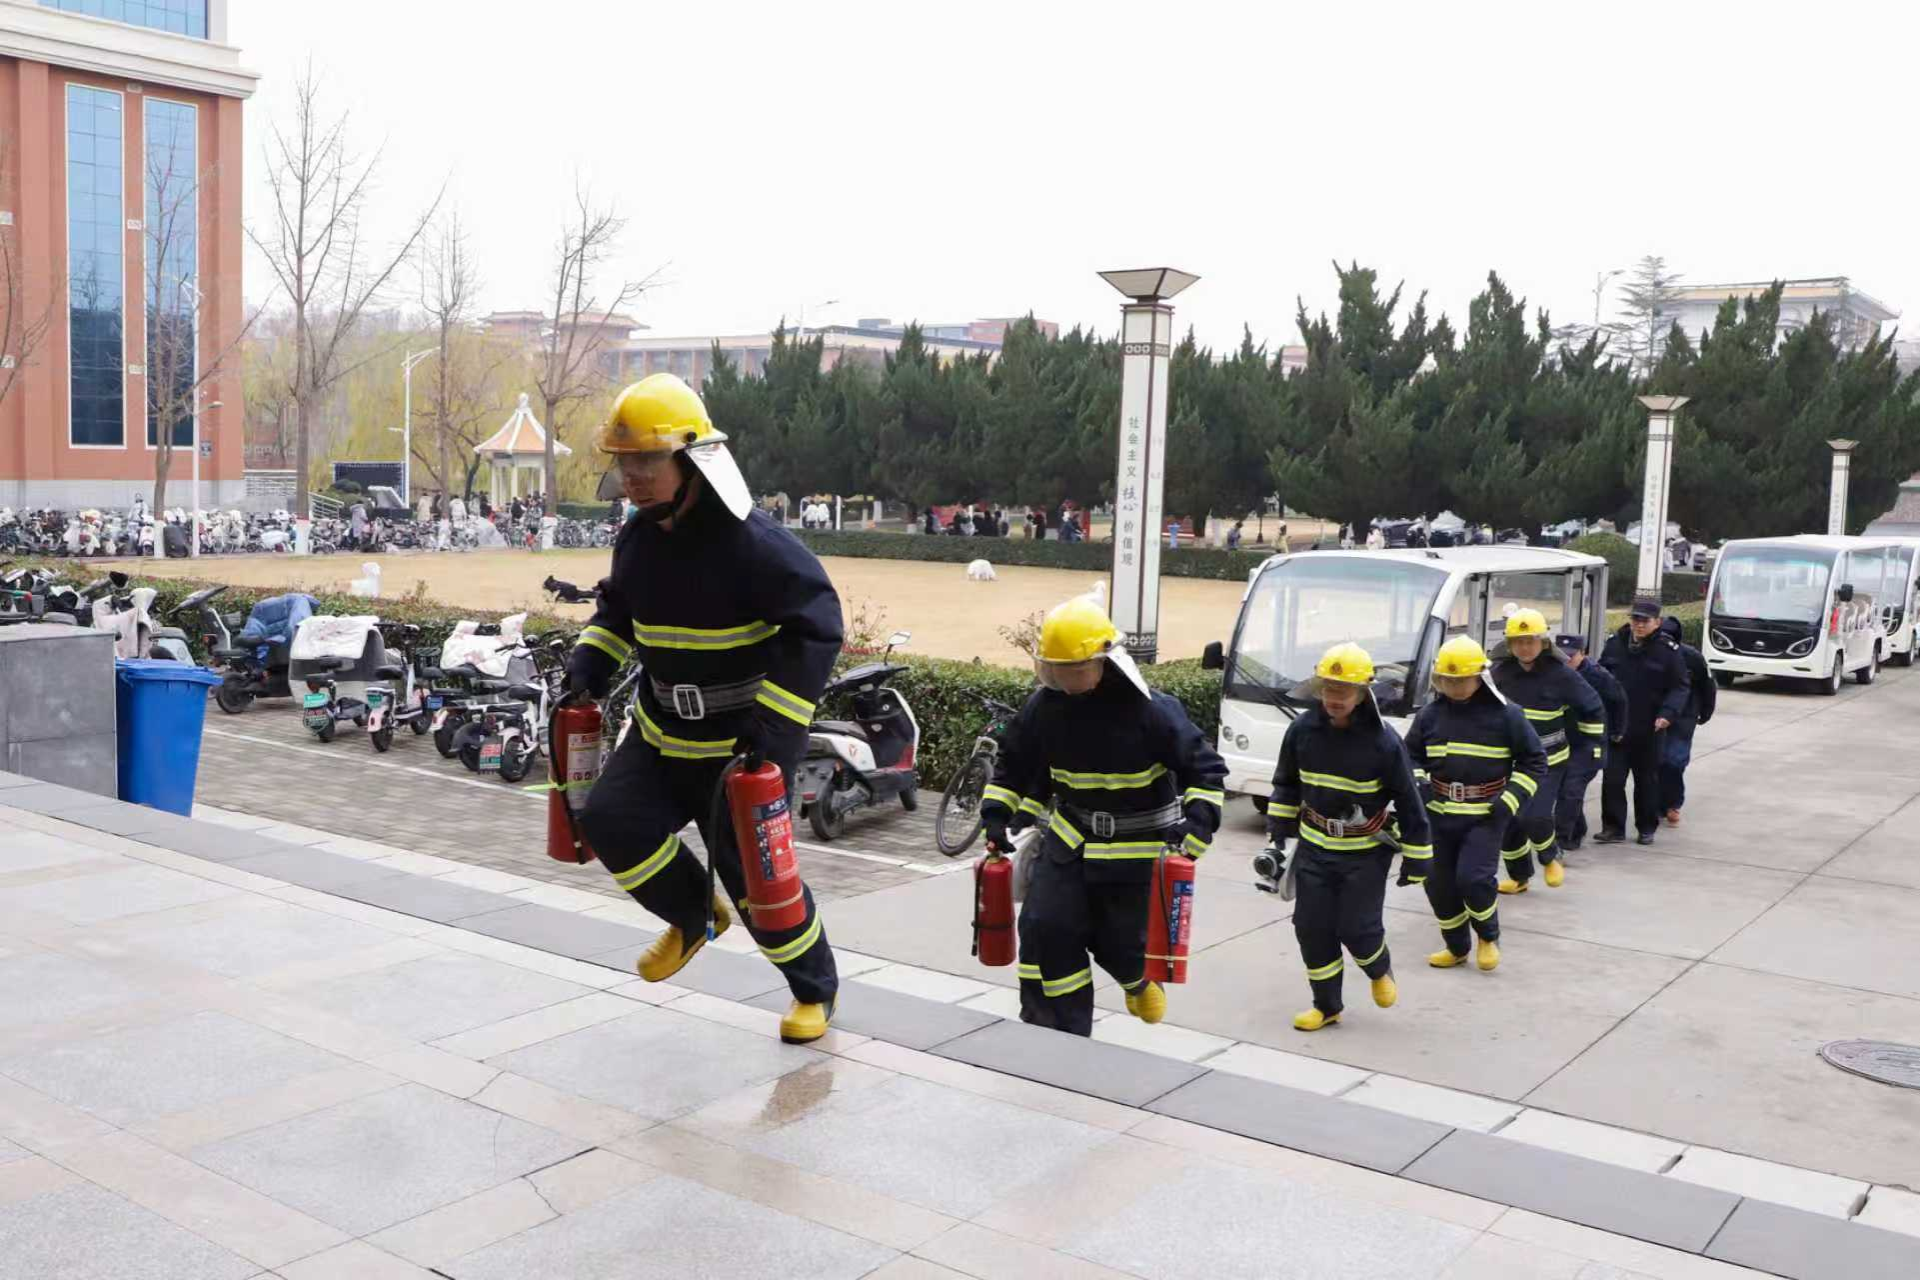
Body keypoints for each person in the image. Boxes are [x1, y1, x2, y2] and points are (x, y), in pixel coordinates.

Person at [568, 373, 844, 1043]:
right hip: (661, 734)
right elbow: (619, 610)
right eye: (624, 461)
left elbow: (818, 627)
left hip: (738, 750)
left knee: (760, 887)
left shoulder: (756, 545)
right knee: (609, 820)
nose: (633, 476)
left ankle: (815, 992)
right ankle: (694, 916)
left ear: (693, 459)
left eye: (648, 459)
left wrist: (774, 728)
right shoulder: (637, 538)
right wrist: (592, 661)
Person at [978, 595, 1227, 1036]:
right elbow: (1016, 765)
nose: (1065, 679)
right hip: (1071, 842)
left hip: (1136, 851)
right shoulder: (1045, 707)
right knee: (1044, 926)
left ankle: (1137, 979)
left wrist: (1198, 825)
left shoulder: (1152, 711)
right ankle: (1058, 1033)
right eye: (1057, 669)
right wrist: (998, 816)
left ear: (1104, 661)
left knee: (1118, 942)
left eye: (1075, 669)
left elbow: (1205, 770)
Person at [1263, 643, 1432, 1032]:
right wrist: (1277, 838)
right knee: (1311, 927)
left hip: (1364, 852)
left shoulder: (1384, 742)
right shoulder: (1301, 731)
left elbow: (1410, 801)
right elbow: (1286, 785)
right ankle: (1327, 1007)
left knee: (1357, 928)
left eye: (1344, 690)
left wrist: (1418, 857)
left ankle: (1378, 968)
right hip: (1314, 848)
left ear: (1362, 693)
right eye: (1328, 688)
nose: (1334, 698)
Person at [1404, 637, 1547, 972]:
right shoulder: (1429, 715)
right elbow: (1409, 757)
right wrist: (1421, 786)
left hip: (1486, 815)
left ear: (1480, 677)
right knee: (1437, 883)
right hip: (1439, 815)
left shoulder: (1507, 715)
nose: (1453, 687)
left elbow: (1534, 761)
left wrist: (1508, 800)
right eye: (1447, 680)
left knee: (1473, 879)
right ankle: (1456, 947)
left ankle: (1487, 936)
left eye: (1461, 680)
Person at [1489, 610, 1606, 894]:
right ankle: (1519, 878)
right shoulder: (1499, 673)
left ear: (1543, 642)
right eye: (1518, 642)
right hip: (1510, 762)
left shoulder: (1561, 674)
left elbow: (1592, 707)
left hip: (1548, 761)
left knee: (1535, 815)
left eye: (1530, 641)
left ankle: (1550, 856)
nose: (1524, 647)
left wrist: (1591, 749)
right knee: (1509, 821)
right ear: (1509, 644)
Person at [1598, 598, 1690, 846]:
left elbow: (1680, 686)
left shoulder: (1667, 651)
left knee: (1646, 781)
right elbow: (1601, 677)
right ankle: (1613, 828)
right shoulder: (1615, 644)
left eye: (1644, 621)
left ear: (1657, 622)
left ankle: (1647, 827)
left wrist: (1667, 714)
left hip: (1650, 727)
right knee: (1613, 779)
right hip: (1618, 726)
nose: (1639, 625)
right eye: (1635, 619)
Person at [1554, 633, 1626, 852]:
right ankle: (1576, 830)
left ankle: (1562, 839)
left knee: (1571, 789)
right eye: (1562, 656)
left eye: (1571, 656)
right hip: (1565, 742)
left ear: (1583, 653)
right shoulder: (1553, 673)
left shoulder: (1598, 676)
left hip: (1590, 744)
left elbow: (1619, 700)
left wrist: (1617, 731)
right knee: (1564, 790)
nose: (1567, 661)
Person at [1658, 615, 1715, 826]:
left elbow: (1708, 686)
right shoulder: (1649, 653)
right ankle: (1658, 804)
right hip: (1656, 714)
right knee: (1656, 761)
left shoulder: (1693, 657)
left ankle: (1673, 803)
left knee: (1674, 760)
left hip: (1685, 715)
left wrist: (1706, 711)